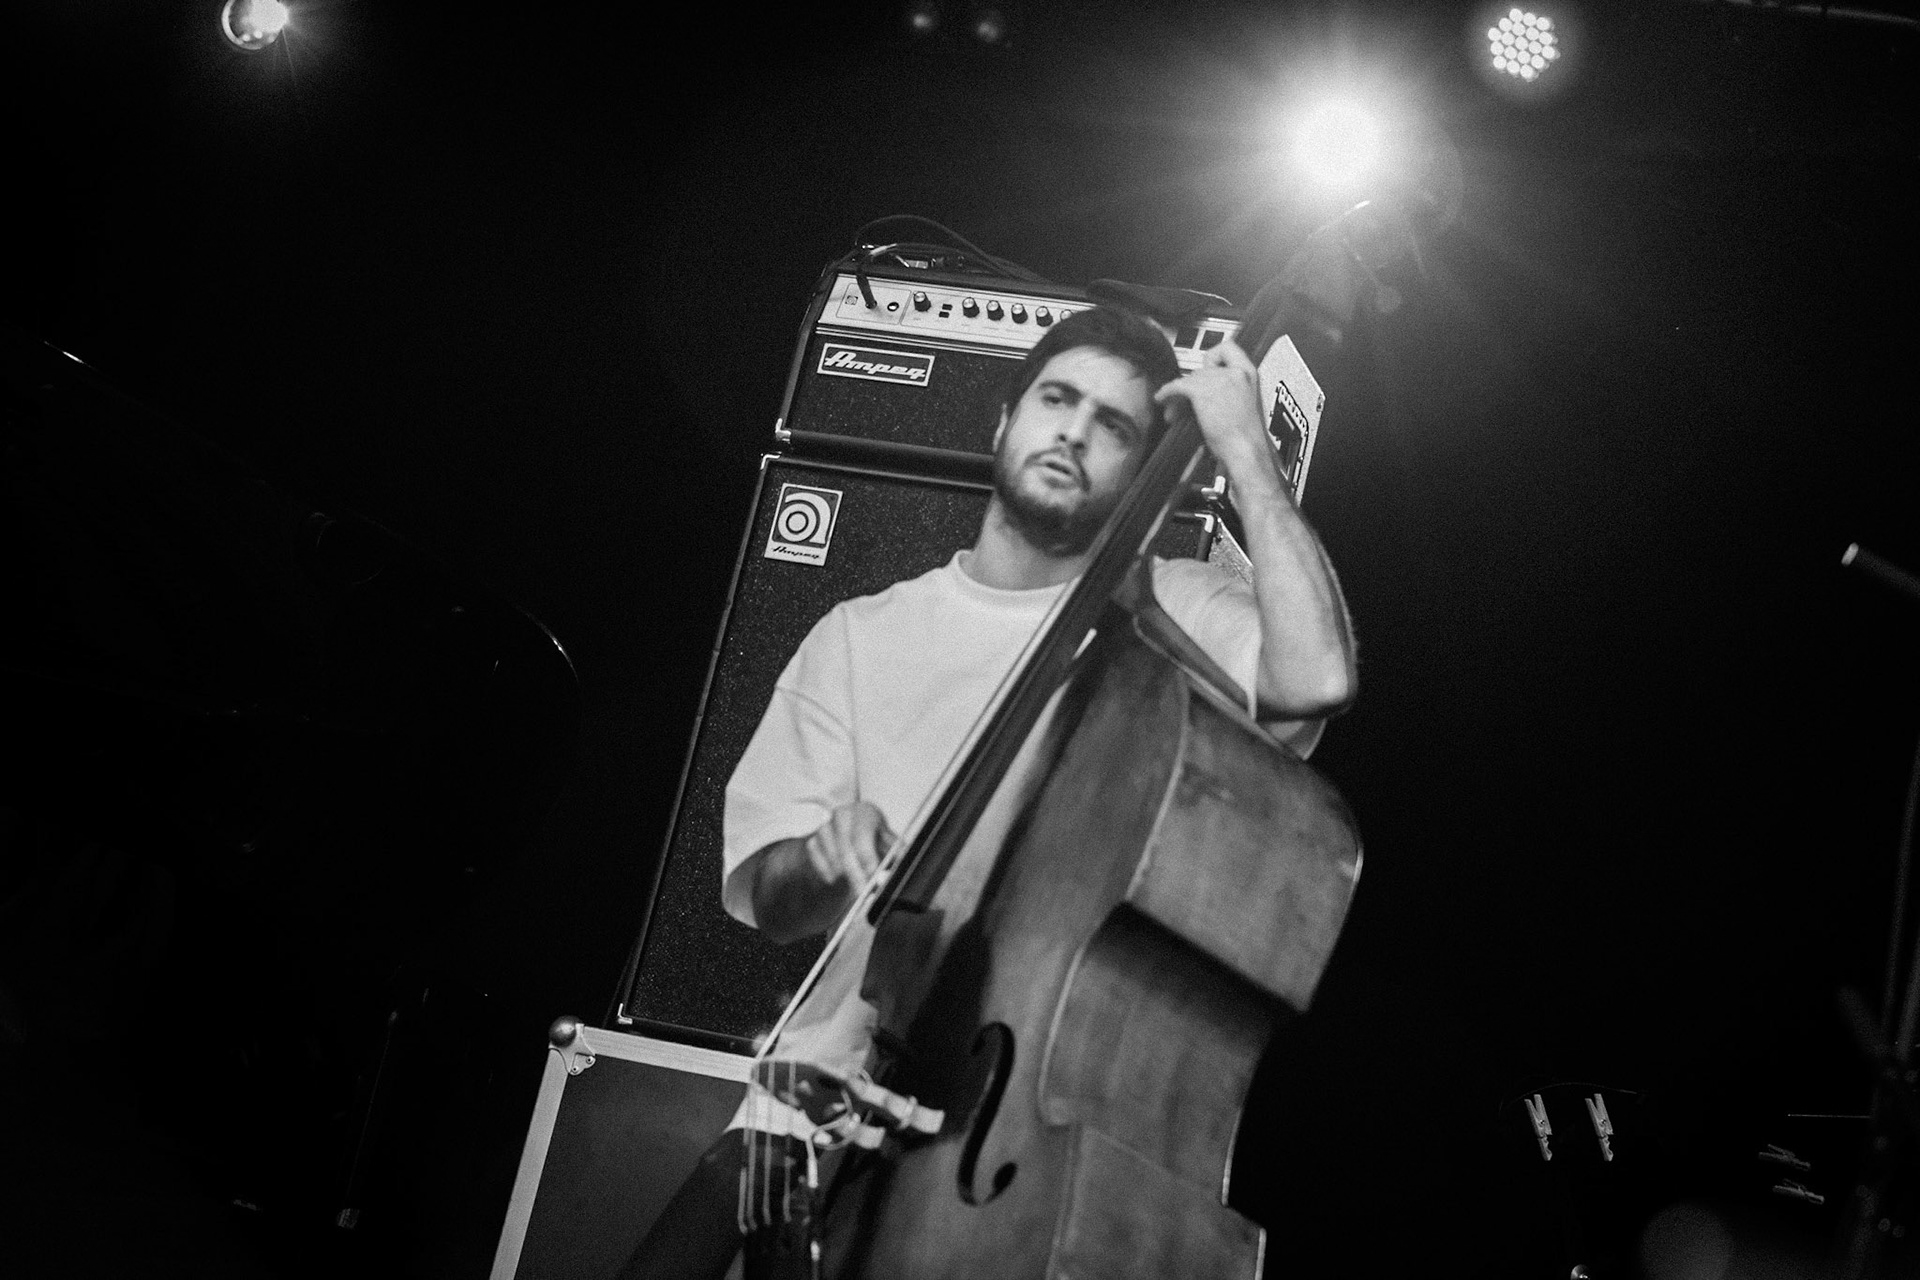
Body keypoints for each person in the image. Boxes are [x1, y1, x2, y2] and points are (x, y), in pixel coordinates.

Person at [618, 304, 1357, 1279]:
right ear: (1002, 419)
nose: (1078, 431)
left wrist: (1246, 452)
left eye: (1116, 425)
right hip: (812, 1114)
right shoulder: (863, 633)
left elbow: (1316, 679)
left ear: (1142, 471)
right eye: (1059, 399)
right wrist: (822, 853)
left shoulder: (1170, 613)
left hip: (999, 1140)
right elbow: (767, 893)